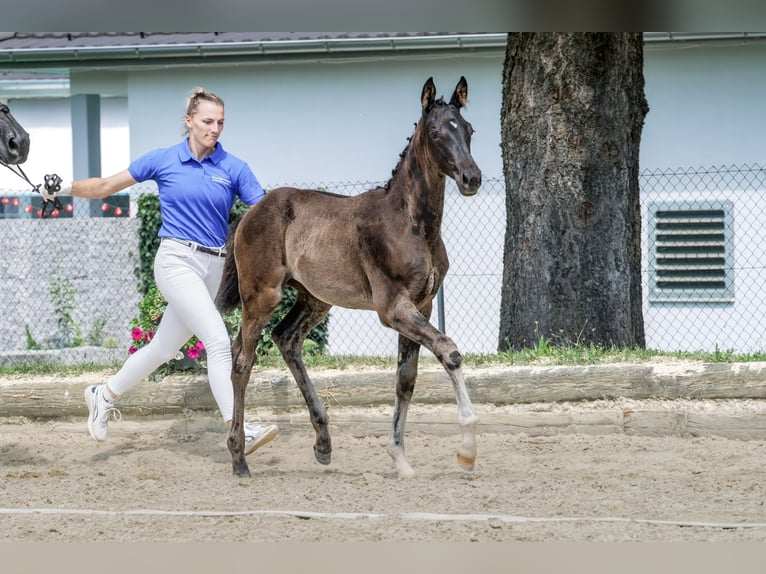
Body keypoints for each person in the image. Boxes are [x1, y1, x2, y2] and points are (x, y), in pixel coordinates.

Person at [41, 87, 278, 456]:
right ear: (189, 121)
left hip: (214, 266)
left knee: (163, 348)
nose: (214, 129)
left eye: (220, 123)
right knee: (217, 341)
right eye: (207, 121)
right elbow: (105, 187)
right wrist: (64, 188)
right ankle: (239, 427)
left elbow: (266, 214)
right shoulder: (163, 160)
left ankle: (102, 395)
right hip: (175, 260)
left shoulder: (233, 168)